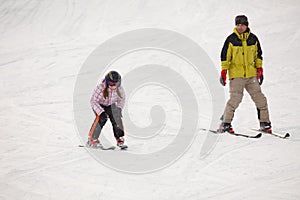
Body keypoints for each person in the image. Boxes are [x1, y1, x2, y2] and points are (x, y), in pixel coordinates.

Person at [218, 15, 272, 133]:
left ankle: (265, 123)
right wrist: (224, 71)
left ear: (247, 25)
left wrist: (259, 69)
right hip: (237, 76)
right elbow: (225, 57)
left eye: (242, 24)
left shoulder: (253, 39)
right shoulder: (231, 40)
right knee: (235, 99)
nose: (240, 27)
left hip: (251, 75)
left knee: (260, 99)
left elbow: (258, 55)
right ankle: (225, 123)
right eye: (237, 24)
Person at [87, 70, 126, 148]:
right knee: (102, 118)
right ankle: (92, 139)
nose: (113, 86)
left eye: (116, 84)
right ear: (107, 82)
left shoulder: (119, 89)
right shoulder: (100, 87)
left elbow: (121, 100)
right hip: (99, 105)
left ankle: (119, 138)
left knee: (116, 117)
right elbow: (93, 101)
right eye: (111, 84)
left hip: (110, 105)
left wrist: (119, 108)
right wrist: (100, 112)